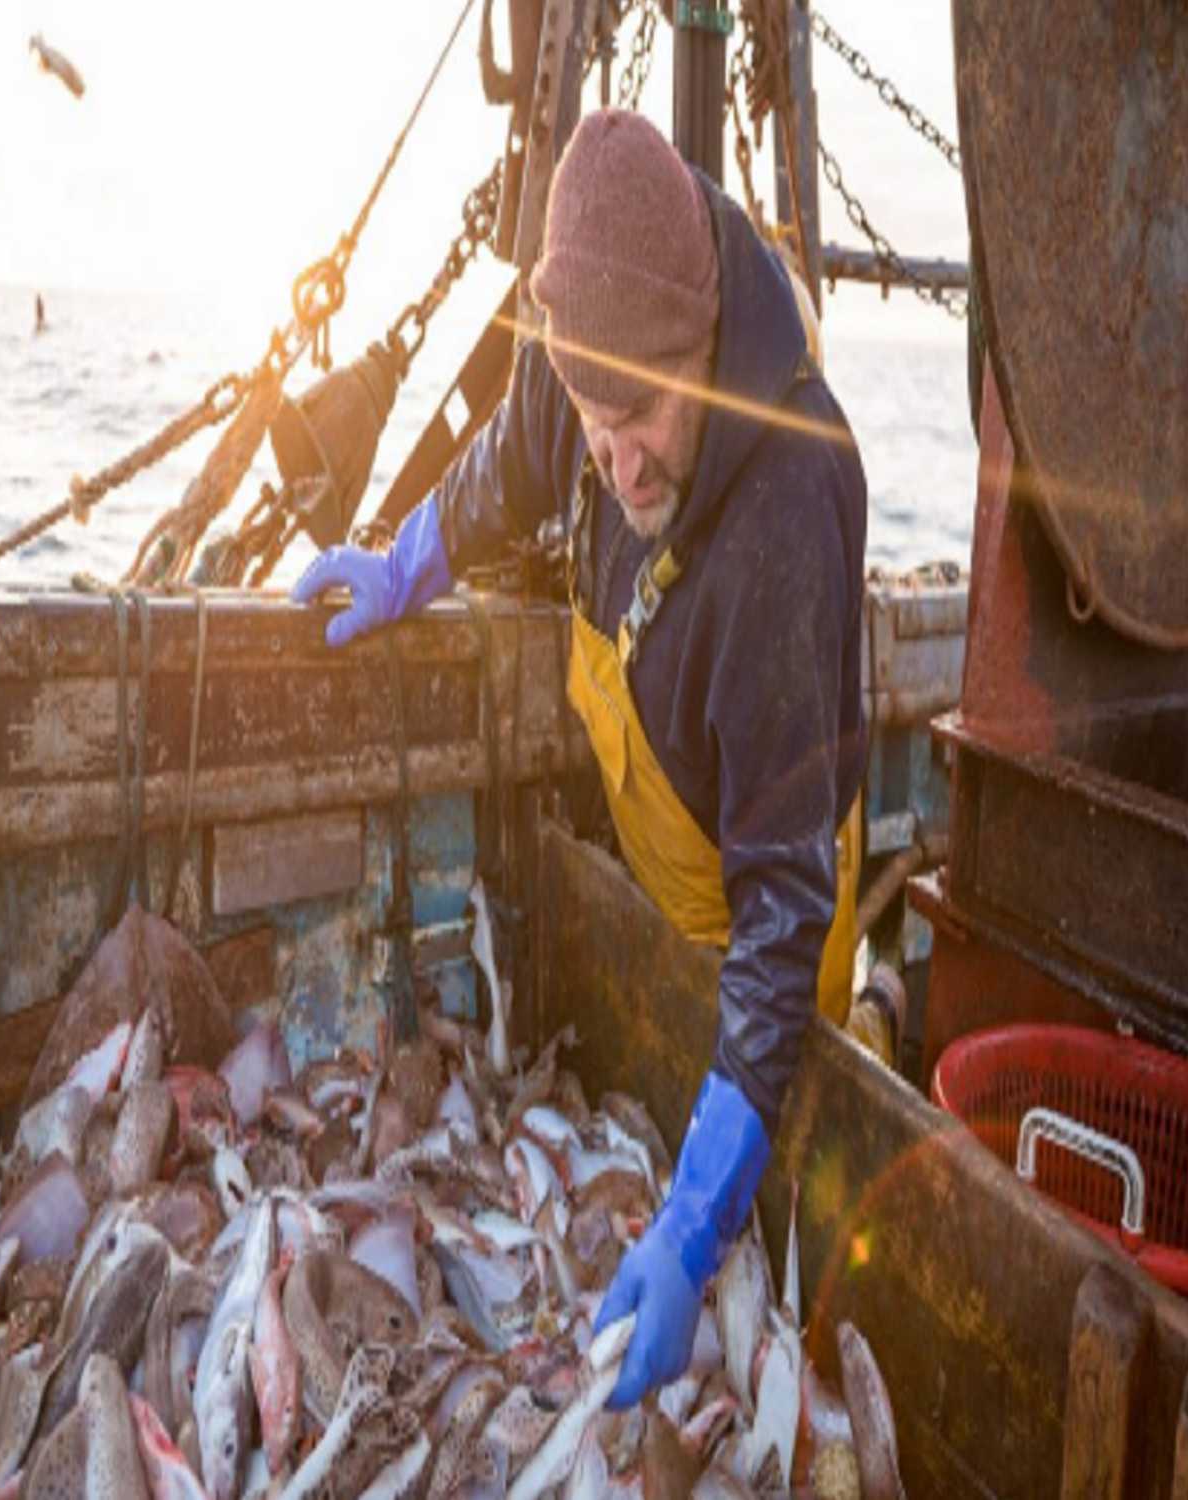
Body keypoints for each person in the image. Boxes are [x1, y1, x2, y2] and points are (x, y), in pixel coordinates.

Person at [289, 109, 867, 1408]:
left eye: (644, 419)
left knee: (759, 1259)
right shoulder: (591, 381)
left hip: (762, 917)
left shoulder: (785, 520)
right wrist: (400, 568)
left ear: (708, 352)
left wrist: (698, 1214)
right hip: (657, 859)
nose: (617, 460)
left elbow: (783, 915)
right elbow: (500, 472)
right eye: (594, 419)